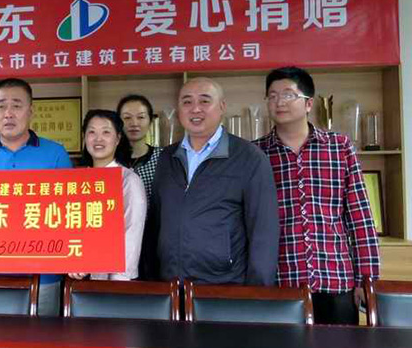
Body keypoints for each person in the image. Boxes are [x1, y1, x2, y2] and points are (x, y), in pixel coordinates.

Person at [256, 67, 380, 324]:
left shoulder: (339, 147)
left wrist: (366, 279)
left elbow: (360, 218)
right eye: (272, 96)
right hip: (279, 281)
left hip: (335, 279)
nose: (279, 102)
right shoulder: (256, 153)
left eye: (288, 95)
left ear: (309, 103)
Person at [150, 77, 279, 285]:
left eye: (204, 101)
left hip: (225, 286)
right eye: (187, 102)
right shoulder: (167, 157)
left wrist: (258, 293)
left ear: (222, 107)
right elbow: (156, 222)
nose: (195, 109)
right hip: (170, 284)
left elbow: (263, 231)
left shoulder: (249, 157)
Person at [0, 78, 72, 315]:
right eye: (1, 106)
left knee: (41, 338)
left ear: (30, 111)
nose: (8, 113)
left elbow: (69, 215)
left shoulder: (56, 154)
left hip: (43, 275)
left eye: (16, 105)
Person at [70, 109, 146, 281]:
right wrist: (72, 260)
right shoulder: (76, 181)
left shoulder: (128, 180)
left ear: (117, 139)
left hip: (114, 281)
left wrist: (117, 283)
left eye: (106, 132)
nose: (98, 139)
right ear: (85, 138)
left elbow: (132, 234)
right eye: (92, 132)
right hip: (78, 279)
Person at [117, 94, 163, 200]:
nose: (134, 123)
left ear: (150, 121)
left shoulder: (163, 157)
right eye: (127, 117)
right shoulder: (110, 160)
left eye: (141, 117)